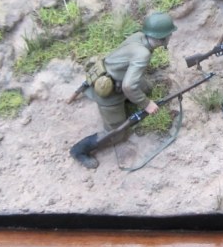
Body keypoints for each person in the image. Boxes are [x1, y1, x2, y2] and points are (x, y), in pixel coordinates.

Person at [70, 12, 177, 169]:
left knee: (147, 87)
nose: (170, 37)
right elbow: (128, 86)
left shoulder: (139, 37)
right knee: (117, 134)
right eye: (169, 34)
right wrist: (146, 104)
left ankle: (129, 100)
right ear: (162, 38)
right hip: (110, 92)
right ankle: (79, 150)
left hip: (117, 76)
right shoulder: (143, 54)